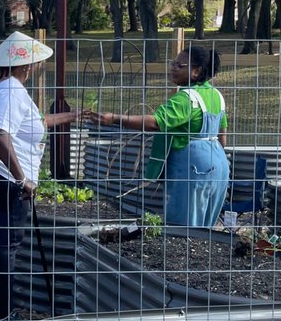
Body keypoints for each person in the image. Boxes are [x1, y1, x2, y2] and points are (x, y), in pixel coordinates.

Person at [0, 32, 80, 321]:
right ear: (25, 66)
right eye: (33, 64)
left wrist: (73, 115)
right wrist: (21, 178)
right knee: (8, 243)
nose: (34, 69)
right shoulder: (12, 90)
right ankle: (1, 314)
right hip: (0, 174)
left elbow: (35, 124)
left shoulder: (0, 90)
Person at [85, 45, 229, 227]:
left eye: (180, 65)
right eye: (173, 63)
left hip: (193, 166)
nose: (173, 68)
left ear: (196, 71)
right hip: (219, 165)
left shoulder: (186, 98)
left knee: (183, 227)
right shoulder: (216, 95)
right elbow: (222, 135)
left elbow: (156, 122)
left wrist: (115, 118)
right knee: (206, 227)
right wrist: (220, 162)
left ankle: (178, 256)